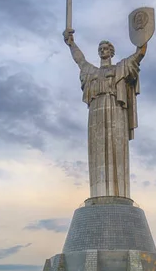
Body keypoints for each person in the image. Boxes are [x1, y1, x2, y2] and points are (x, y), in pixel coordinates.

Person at [63, 28, 147, 198]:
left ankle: (119, 194)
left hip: (116, 108)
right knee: (97, 151)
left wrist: (143, 39)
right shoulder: (92, 72)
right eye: (100, 49)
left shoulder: (121, 67)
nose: (103, 51)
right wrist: (71, 44)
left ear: (112, 52)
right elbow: (80, 60)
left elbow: (138, 56)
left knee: (117, 147)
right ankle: (98, 194)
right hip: (96, 112)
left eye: (106, 49)